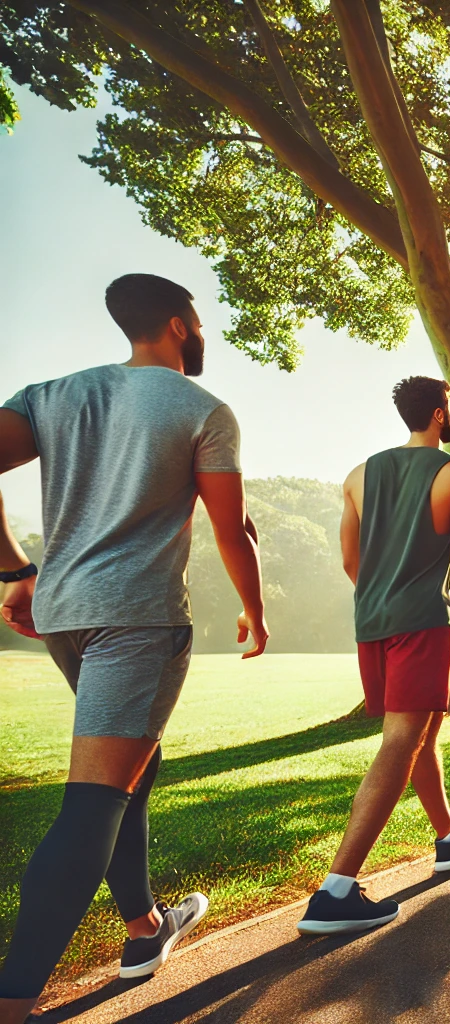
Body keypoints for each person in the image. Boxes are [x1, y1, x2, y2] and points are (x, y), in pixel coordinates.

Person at [0, 274, 267, 1020]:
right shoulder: (202, 408)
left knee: (136, 767)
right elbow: (230, 527)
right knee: (91, 805)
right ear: (182, 325)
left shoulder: (50, 394)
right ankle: (13, 1002)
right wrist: (254, 610)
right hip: (136, 621)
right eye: (201, 323)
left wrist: (16, 570)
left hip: (62, 616)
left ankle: (146, 929)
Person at [297, 376, 450, 935]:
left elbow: (350, 559)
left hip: (373, 623)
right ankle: (336, 890)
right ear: (440, 414)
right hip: (421, 623)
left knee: (421, 734)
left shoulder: (358, 476)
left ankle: (448, 837)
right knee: (400, 741)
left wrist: (379, 597)